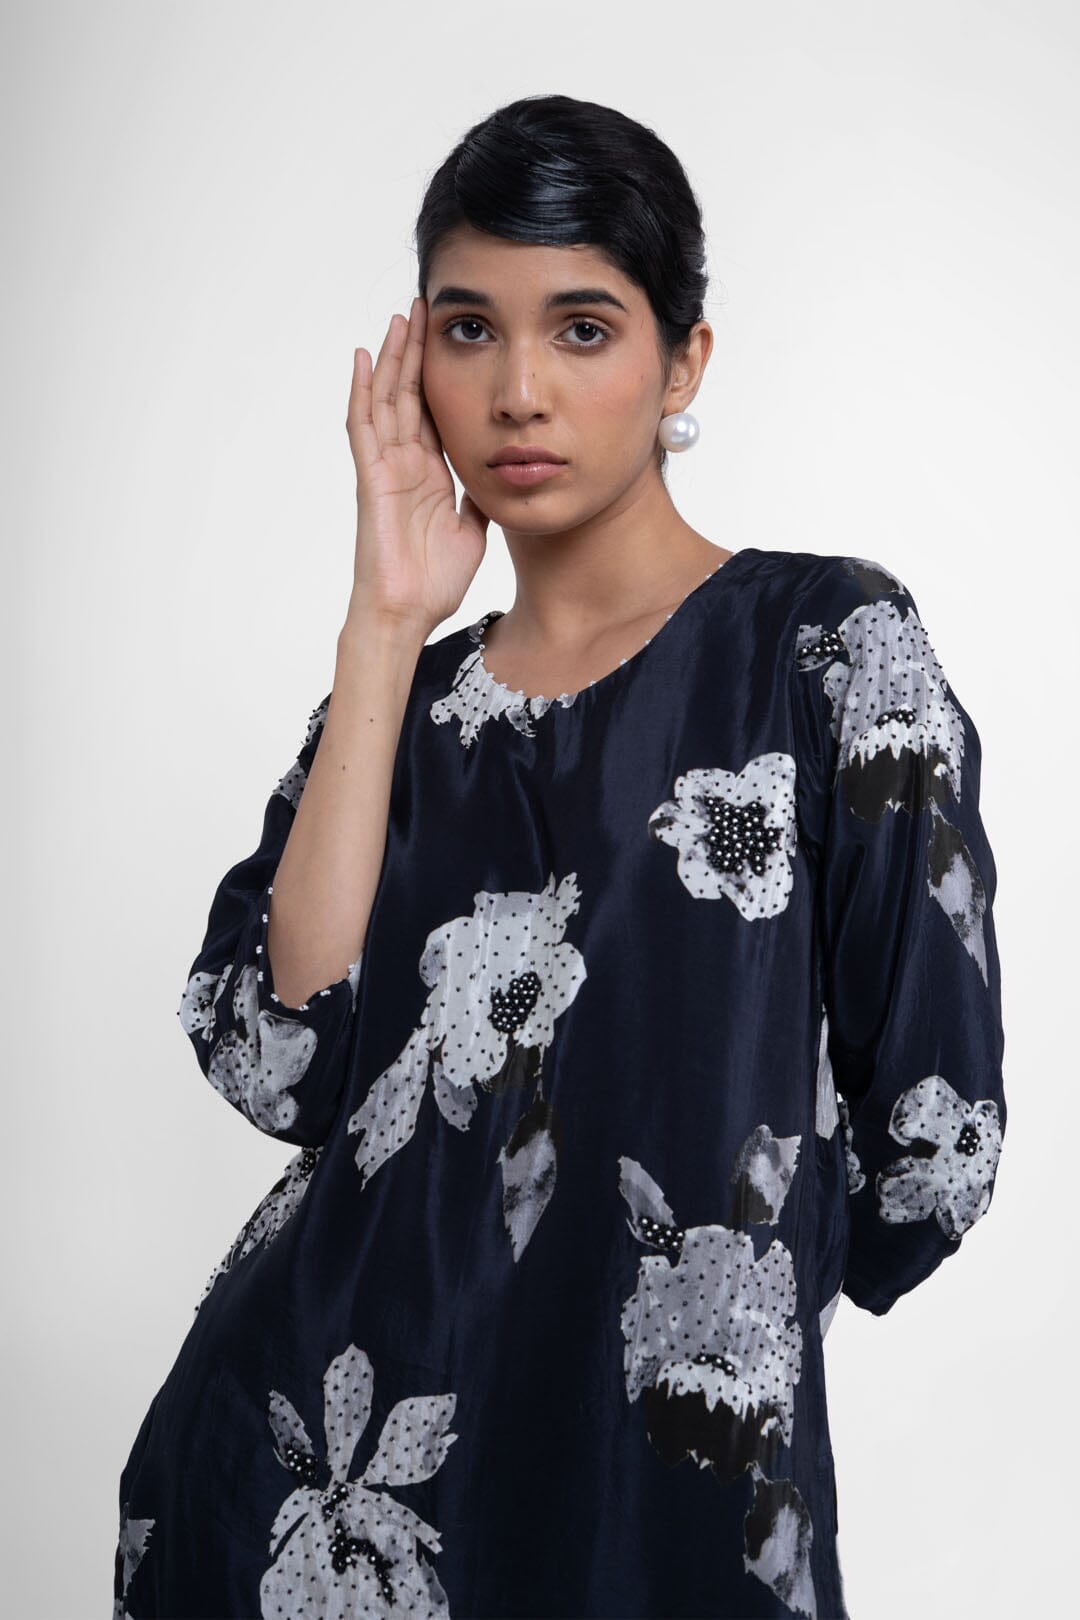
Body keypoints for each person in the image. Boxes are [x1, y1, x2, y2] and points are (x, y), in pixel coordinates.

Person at [113, 93, 1007, 1620]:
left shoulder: (827, 651)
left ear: (684, 362)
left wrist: (727, 1285)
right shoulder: (396, 707)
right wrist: (385, 617)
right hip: (326, 1503)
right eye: (470, 331)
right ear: (419, 363)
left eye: (582, 329)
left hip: (655, 1489)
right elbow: (280, 1063)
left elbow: (936, 1138)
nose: (519, 390)